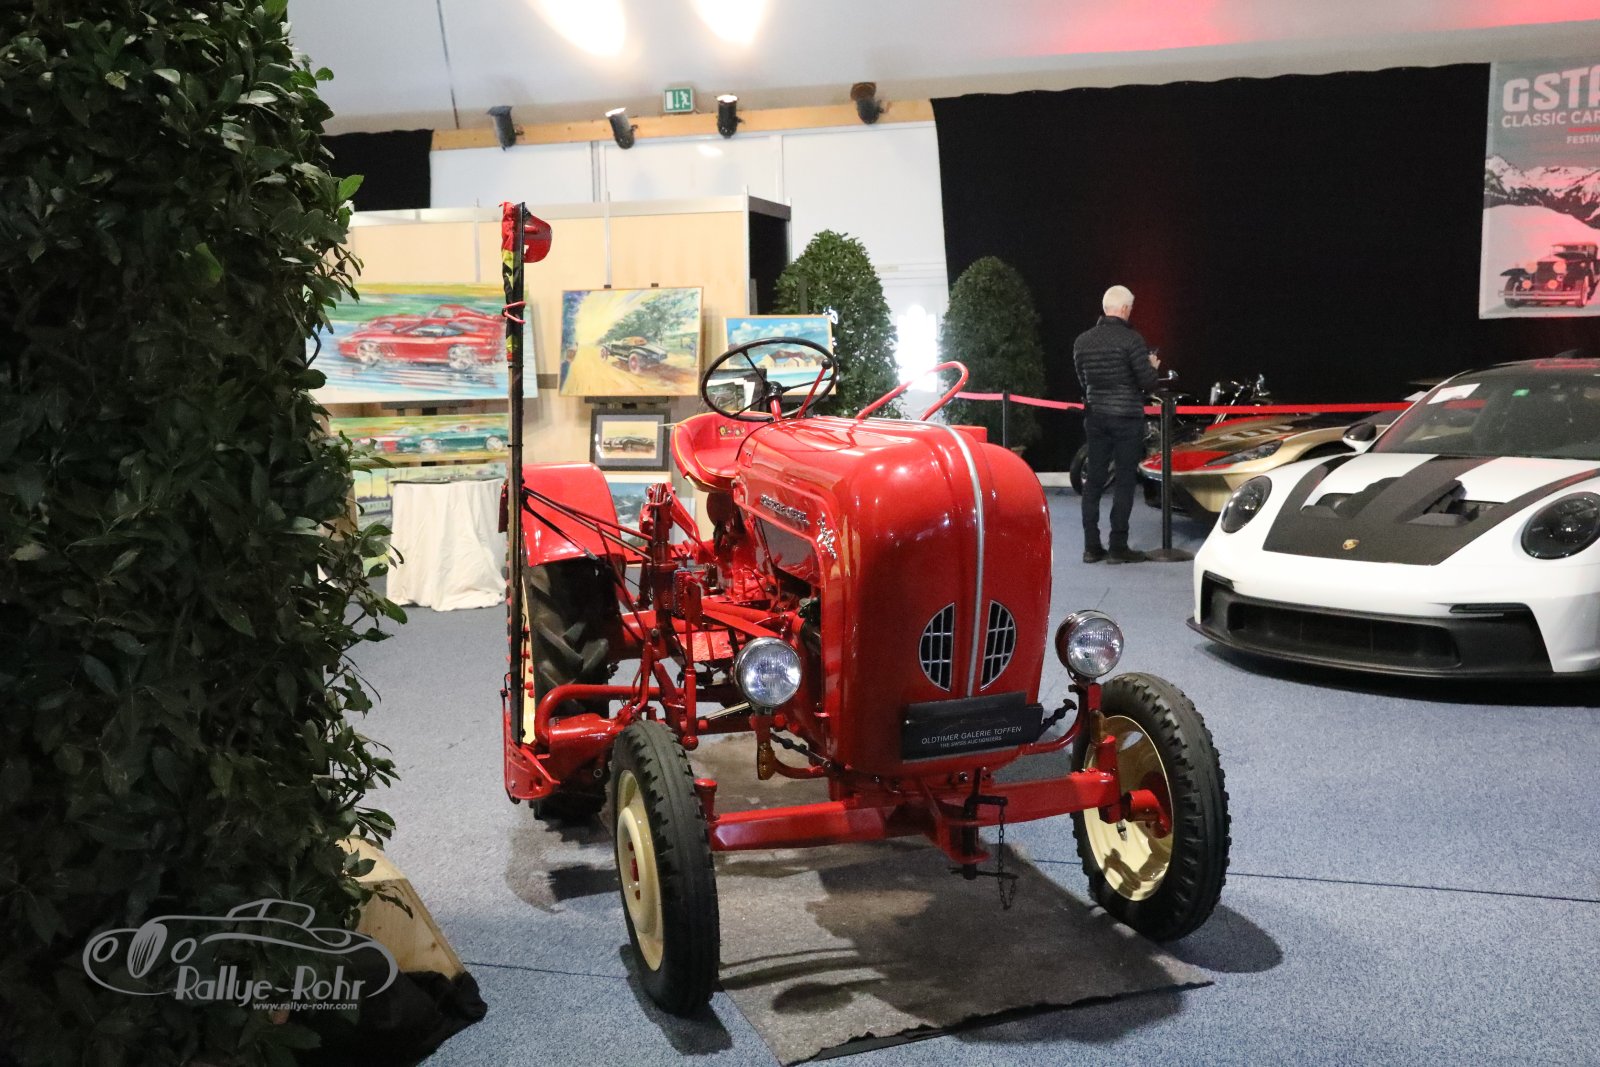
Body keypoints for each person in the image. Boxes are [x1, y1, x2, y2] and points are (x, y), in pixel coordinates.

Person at [1073, 285, 1160, 563]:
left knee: (1094, 482)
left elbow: (1083, 381)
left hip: (1096, 417)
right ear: (1124, 309)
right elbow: (1147, 382)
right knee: (1124, 481)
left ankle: (1091, 547)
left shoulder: (1082, 342)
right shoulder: (1132, 340)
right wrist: (1153, 366)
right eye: (1130, 308)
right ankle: (1118, 547)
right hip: (1126, 418)